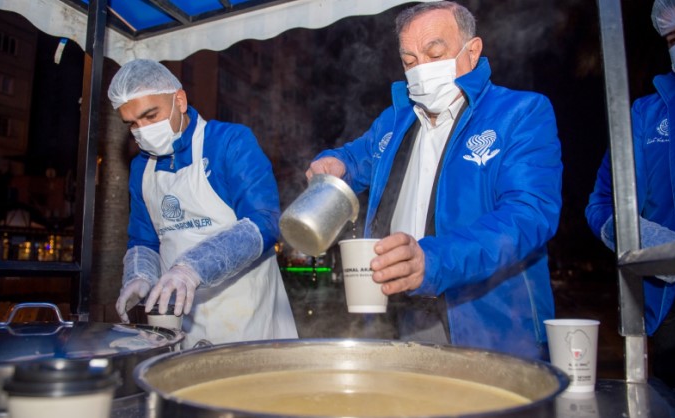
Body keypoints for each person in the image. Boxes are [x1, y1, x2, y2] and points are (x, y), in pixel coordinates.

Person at [305, 1, 562, 359]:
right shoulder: (395, 121)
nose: (421, 70)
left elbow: (528, 216)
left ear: (472, 51)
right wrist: (332, 164)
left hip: (488, 321)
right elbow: (353, 159)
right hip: (397, 312)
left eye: (434, 54)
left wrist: (433, 260)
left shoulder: (519, 113)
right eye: (409, 61)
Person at [108, 59, 297, 348]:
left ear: (179, 101)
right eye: (133, 123)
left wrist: (192, 269)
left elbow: (265, 222)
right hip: (177, 319)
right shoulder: (141, 168)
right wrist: (139, 276)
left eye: (150, 115)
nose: (142, 130)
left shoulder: (229, 143)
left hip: (246, 314)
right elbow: (144, 240)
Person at [586, 0, 675, 392]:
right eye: (674, 38)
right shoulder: (647, 115)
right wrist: (654, 244)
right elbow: (601, 203)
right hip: (674, 305)